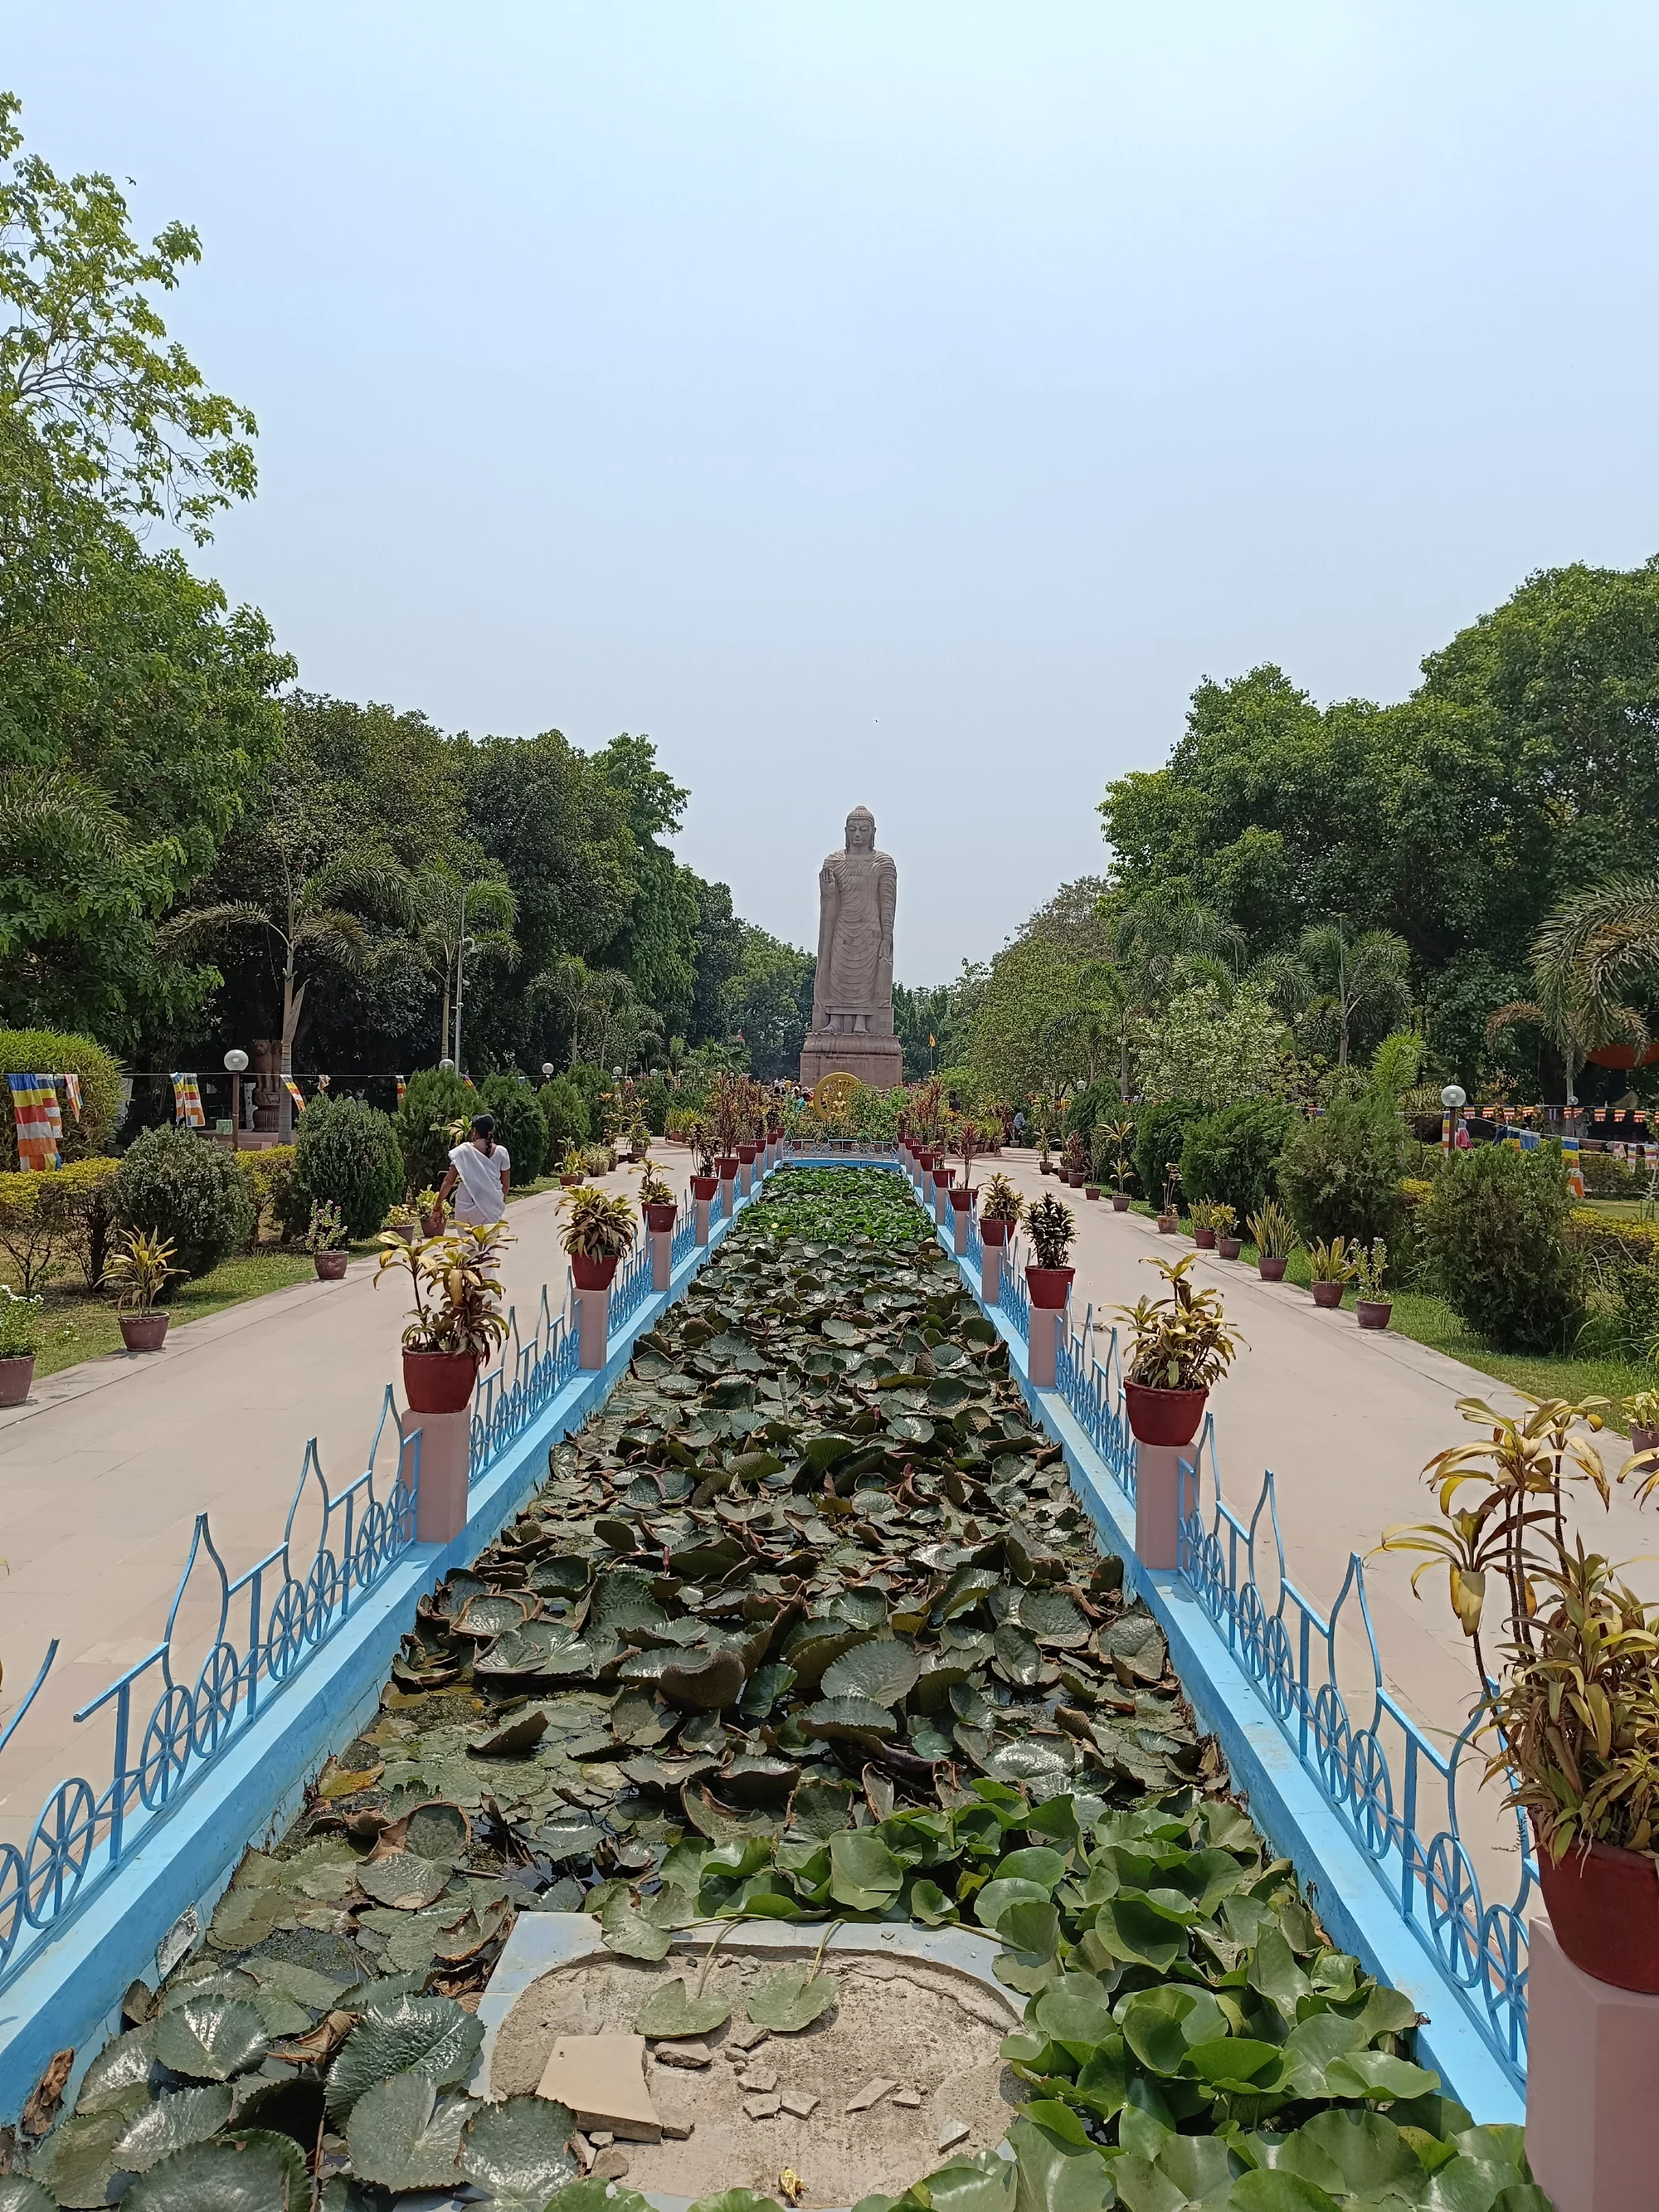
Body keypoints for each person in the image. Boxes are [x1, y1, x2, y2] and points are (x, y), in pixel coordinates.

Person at [436, 1113, 512, 1228]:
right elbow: (505, 1185)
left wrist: (437, 1207)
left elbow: (448, 1181)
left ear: (474, 1131)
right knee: (488, 1244)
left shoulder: (462, 1152)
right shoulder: (502, 1152)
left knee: (468, 1245)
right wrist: (495, 1201)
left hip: (465, 1209)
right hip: (492, 1208)